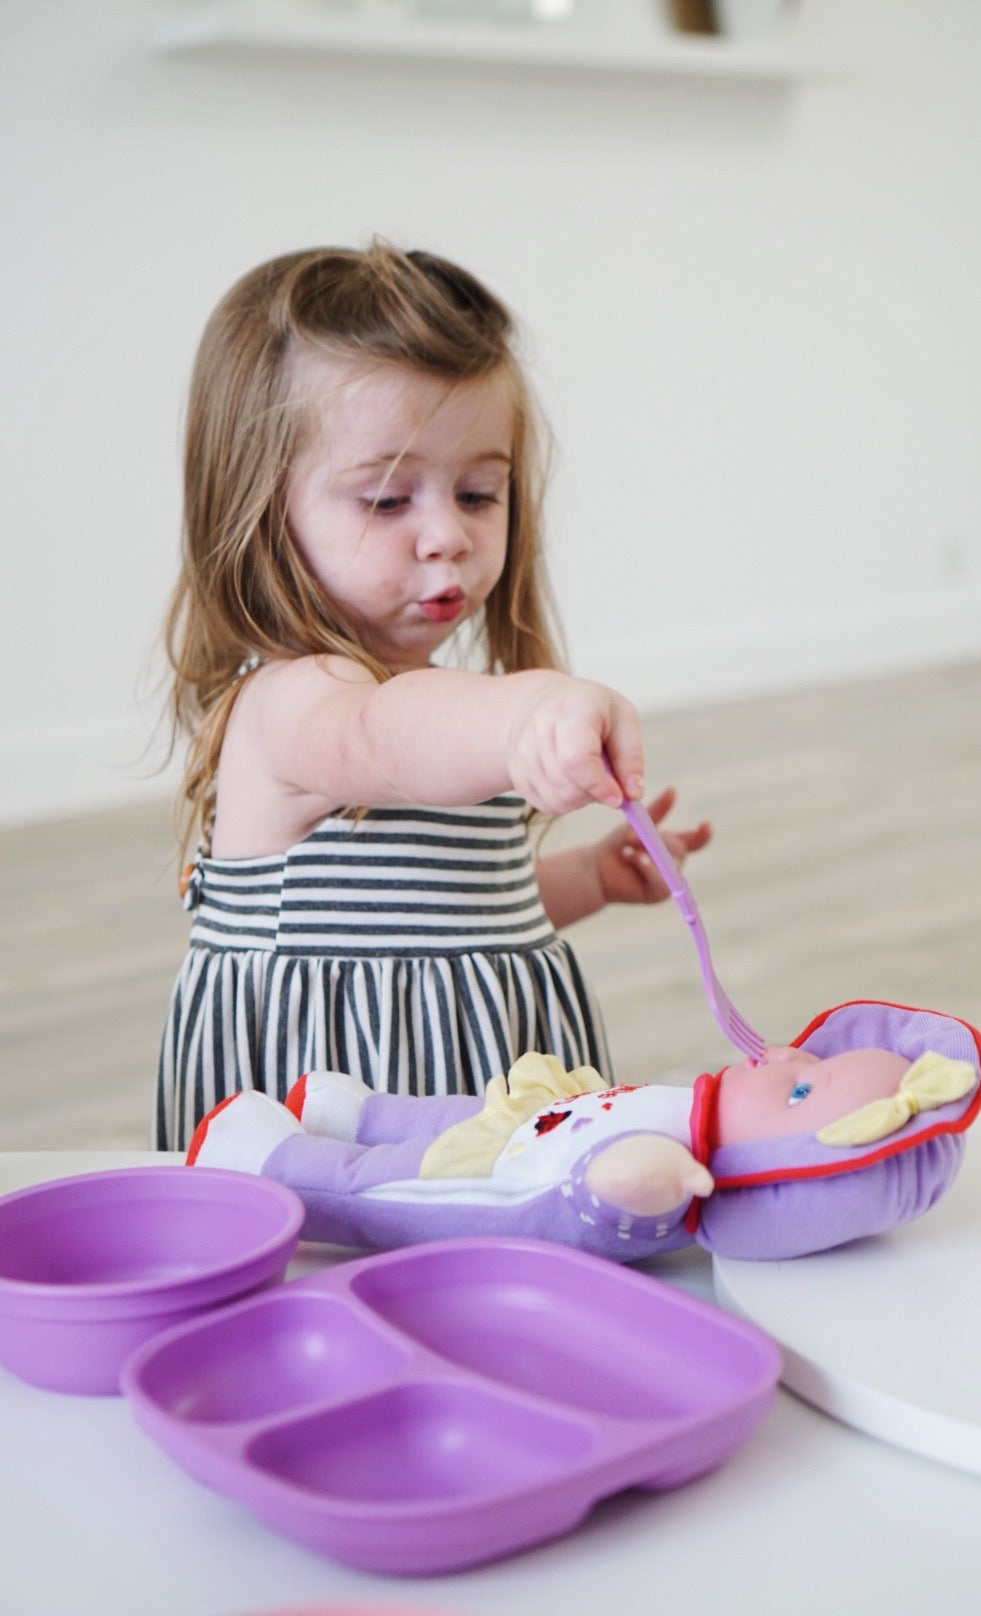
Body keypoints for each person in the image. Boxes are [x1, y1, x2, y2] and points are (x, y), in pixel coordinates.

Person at [157, 243, 711, 1151]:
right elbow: (385, 737)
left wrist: (586, 882)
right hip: (337, 1128)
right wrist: (531, 710)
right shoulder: (298, 705)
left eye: (479, 492)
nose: (447, 535)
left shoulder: (440, 703)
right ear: (261, 510)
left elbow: (445, 907)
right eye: (385, 500)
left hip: (466, 1102)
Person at [186, 999, 981, 1261]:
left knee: (404, 1179)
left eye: (799, 1085)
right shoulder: (697, 1108)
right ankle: (352, 1111)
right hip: (543, 1121)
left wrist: (643, 1182)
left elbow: (607, 1199)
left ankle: (273, 1164)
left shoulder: (676, 1166)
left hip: (518, 1182)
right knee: (462, 1114)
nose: (780, 1057)